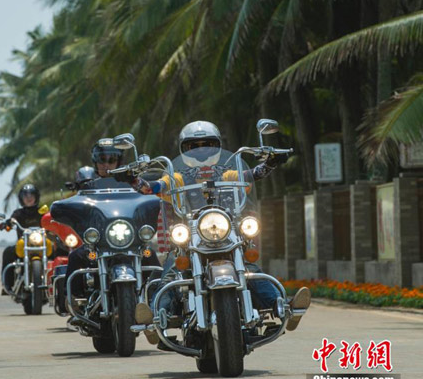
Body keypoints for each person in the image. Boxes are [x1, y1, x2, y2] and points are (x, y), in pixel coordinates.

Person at [115, 121, 310, 341]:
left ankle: (283, 306)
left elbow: (252, 174)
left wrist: (270, 164)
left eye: (207, 145)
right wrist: (133, 179)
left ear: (217, 147)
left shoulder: (227, 175)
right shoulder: (177, 178)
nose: (201, 151)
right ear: (184, 150)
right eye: (194, 147)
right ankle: (154, 318)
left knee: (249, 270)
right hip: (189, 240)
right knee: (171, 274)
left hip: (226, 235)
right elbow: (151, 188)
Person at [65, 146, 161, 301]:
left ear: (119, 162)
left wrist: (155, 199)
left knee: (150, 256)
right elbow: (76, 203)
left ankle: (158, 298)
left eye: (111, 160)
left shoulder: (131, 183)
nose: (106, 164)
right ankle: (73, 299)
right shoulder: (88, 185)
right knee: (76, 257)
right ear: (96, 162)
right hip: (98, 242)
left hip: (129, 238)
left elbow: (147, 195)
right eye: (102, 160)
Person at [0, 184, 47, 295]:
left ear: (36, 197)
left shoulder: (42, 211)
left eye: (31, 195)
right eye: (25, 195)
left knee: (59, 251)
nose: (28, 197)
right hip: (24, 245)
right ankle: (7, 284)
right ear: (21, 199)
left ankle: (62, 285)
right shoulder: (18, 213)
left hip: (42, 243)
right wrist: (8, 223)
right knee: (8, 252)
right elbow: (12, 220)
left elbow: (50, 218)